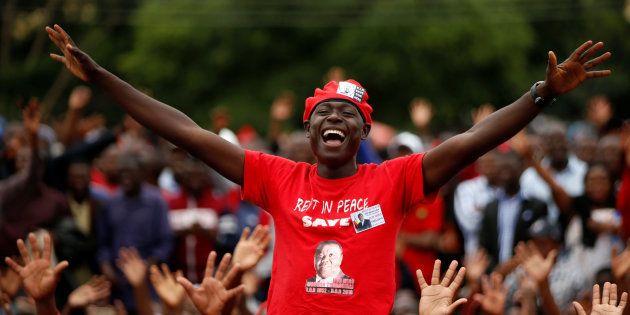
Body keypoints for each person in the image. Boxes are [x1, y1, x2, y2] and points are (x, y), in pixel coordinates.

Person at [46, 24, 611, 314]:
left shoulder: (393, 179)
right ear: (310, 130)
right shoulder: (278, 177)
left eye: (348, 113)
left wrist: (541, 95)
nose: (334, 119)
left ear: (364, 133)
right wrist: (100, 78)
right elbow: (185, 132)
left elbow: (471, 141)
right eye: (323, 112)